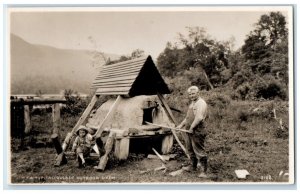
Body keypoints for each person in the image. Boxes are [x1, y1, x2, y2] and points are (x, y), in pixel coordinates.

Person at [176, 86, 208, 178]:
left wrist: (192, 127)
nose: (191, 96)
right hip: (189, 130)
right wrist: (180, 126)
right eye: (190, 94)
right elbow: (187, 118)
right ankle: (192, 166)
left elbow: (199, 118)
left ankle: (203, 171)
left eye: (193, 93)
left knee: (199, 150)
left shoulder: (201, 103)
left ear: (198, 93)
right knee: (190, 149)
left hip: (198, 130)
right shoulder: (192, 103)